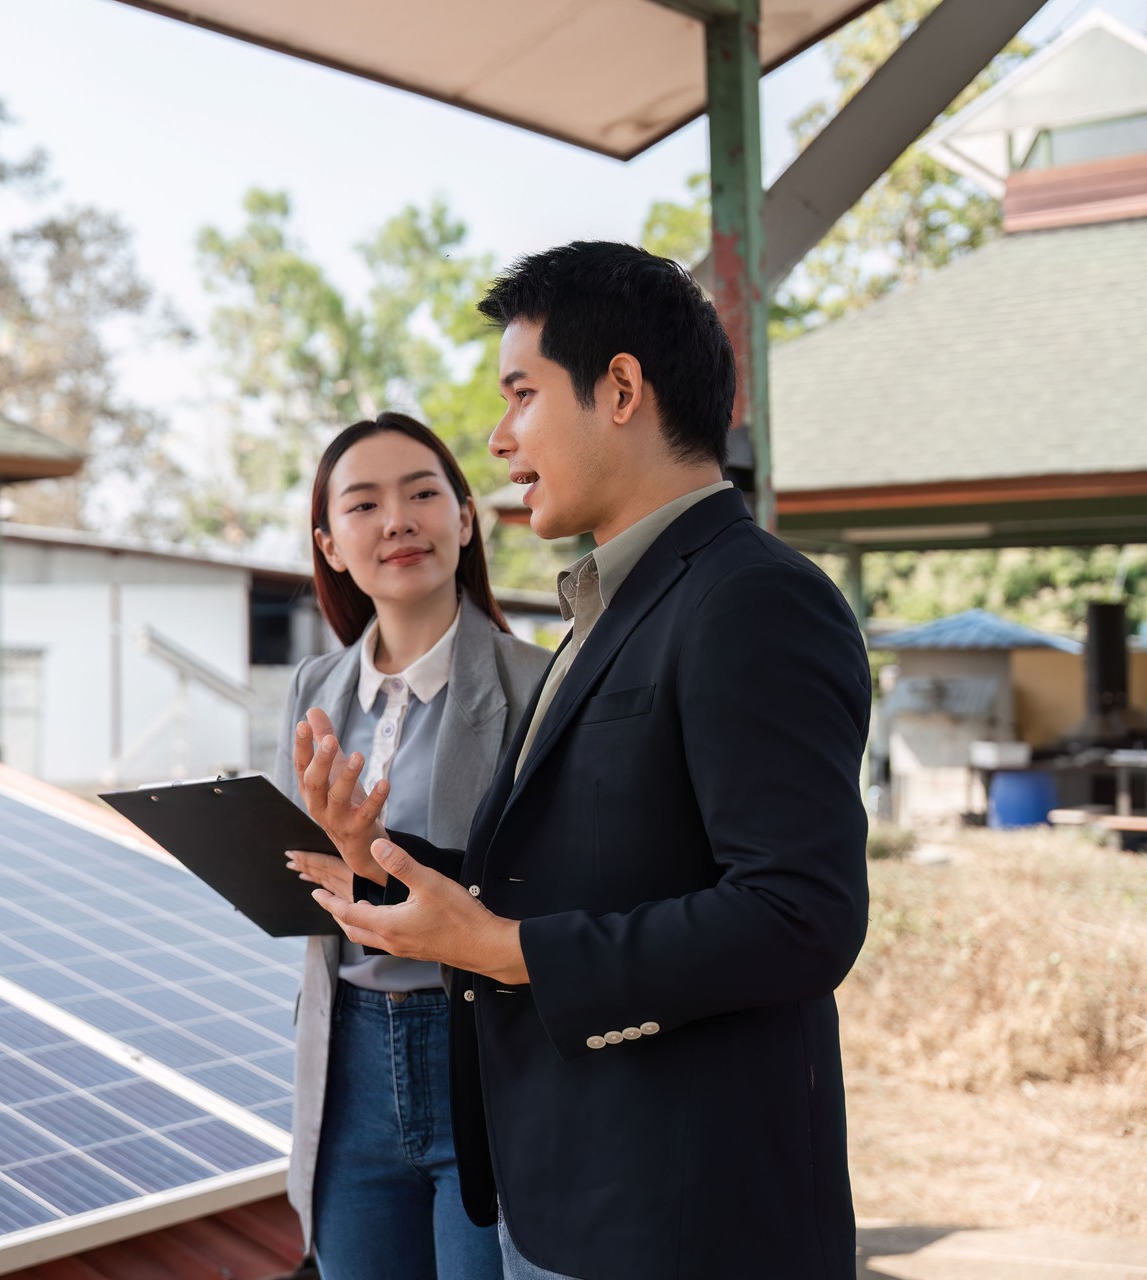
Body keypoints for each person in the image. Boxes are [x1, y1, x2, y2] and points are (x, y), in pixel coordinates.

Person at [295, 242, 871, 1279]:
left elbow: (802, 915)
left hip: (684, 1219)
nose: (499, 435)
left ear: (618, 389)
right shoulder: (612, 607)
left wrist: (514, 951)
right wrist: (381, 860)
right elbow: (579, 866)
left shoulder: (749, 598)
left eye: (521, 393)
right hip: (573, 1198)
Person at [269, 412, 548, 1280]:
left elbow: (547, 889)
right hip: (346, 1055)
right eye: (364, 504)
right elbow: (302, 874)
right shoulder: (313, 687)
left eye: (423, 493)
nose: (398, 521)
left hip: (481, 1051)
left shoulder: (538, 684)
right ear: (331, 542)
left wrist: (373, 854)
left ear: (466, 520)